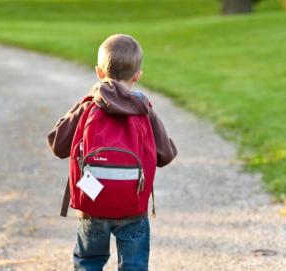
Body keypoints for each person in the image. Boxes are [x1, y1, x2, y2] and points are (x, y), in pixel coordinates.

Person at [47, 34, 177, 271]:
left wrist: (82, 104)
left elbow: (57, 144)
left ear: (99, 72)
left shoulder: (89, 105)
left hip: (93, 202)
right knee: (134, 265)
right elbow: (165, 155)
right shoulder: (144, 109)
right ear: (137, 75)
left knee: (89, 262)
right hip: (133, 206)